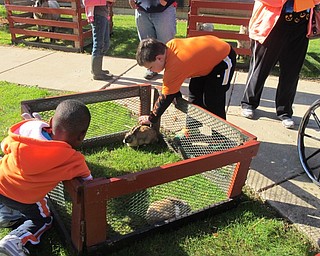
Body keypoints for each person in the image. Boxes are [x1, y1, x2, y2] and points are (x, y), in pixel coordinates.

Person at [0, 99, 92, 256]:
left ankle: (5, 213)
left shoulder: (27, 129)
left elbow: (5, 146)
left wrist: (37, 124)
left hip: (2, 182)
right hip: (24, 198)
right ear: (82, 135)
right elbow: (88, 181)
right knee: (43, 219)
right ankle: (15, 242)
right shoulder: (72, 159)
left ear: (50, 122)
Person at [240, 0, 320, 129]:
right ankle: (248, 103)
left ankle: (285, 111)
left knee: (291, 72)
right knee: (260, 68)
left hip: (301, 25)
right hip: (271, 24)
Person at [136, 36, 236, 126]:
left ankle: (221, 138)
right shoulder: (170, 47)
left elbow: (166, 97)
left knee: (213, 100)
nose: (150, 70)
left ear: (159, 58)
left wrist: (151, 118)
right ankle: (192, 129)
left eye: (150, 67)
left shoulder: (176, 64)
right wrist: (174, 92)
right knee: (194, 93)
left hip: (223, 60)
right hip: (206, 61)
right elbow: (171, 87)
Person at [128, 0, 177, 80]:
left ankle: (171, 72)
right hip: (141, 8)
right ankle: (152, 68)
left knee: (167, 44)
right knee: (147, 45)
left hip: (164, 9)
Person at [83, 0, 115, 81]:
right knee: (99, 44)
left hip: (104, 14)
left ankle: (97, 69)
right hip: (97, 15)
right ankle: (97, 73)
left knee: (105, 44)